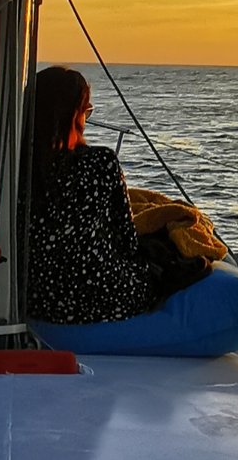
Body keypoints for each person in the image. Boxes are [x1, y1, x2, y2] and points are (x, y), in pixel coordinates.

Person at [25, 66, 160, 324]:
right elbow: (127, 241)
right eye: (87, 111)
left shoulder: (11, 165)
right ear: (74, 116)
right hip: (103, 299)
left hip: (36, 299)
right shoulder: (101, 162)